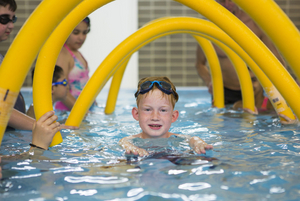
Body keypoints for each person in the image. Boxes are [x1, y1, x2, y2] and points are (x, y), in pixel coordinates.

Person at [195, 0, 286, 105]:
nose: (227, 4)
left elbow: (276, 60)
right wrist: (209, 81)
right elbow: (199, 64)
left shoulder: (254, 24)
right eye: (222, 1)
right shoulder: (208, 28)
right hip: (223, 92)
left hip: (254, 90)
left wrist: (283, 88)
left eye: (231, 0)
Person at [119, 76, 213, 156]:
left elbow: (193, 139)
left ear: (173, 116)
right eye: (148, 110)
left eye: (163, 110)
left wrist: (198, 143)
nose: (155, 117)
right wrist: (131, 149)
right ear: (136, 114)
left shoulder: (179, 139)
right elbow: (124, 143)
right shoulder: (129, 141)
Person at [233, 70, 297, 124]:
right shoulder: (239, 105)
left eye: (253, 80)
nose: (248, 85)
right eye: (245, 82)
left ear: (261, 82)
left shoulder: (273, 105)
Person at [55, 17, 92, 111]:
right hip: (68, 111)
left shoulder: (77, 53)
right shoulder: (63, 54)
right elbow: (61, 91)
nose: (81, 37)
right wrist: (81, 112)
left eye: (85, 32)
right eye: (76, 32)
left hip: (81, 109)